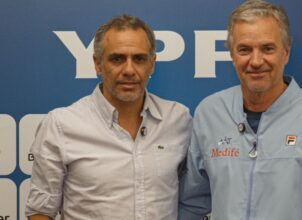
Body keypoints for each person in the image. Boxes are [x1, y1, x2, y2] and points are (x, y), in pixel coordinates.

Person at [178, 1, 302, 220]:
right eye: (244, 50)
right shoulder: (210, 113)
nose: (256, 61)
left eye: (268, 48)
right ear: (232, 55)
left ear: (286, 52)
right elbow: (191, 205)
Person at [26, 15, 192, 220]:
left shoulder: (178, 119)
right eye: (117, 59)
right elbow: (41, 211)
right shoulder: (61, 125)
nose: (129, 70)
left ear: (152, 64)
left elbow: (192, 199)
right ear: (97, 64)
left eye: (139, 59)